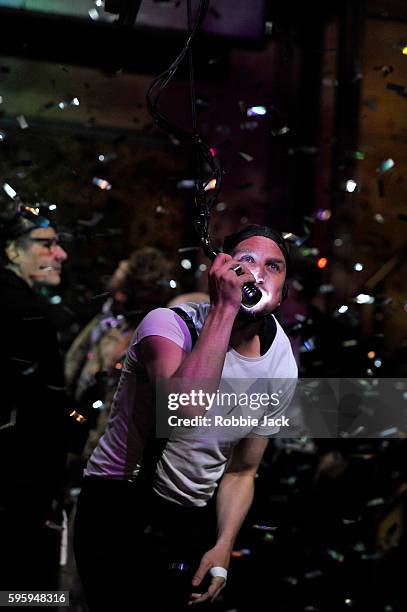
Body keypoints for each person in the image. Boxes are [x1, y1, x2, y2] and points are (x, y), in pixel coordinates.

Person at [73, 224, 298, 611]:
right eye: (245, 261)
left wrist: (223, 547)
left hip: (189, 517)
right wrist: (225, 308)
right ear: (220, 271)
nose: (257, 274)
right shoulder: (167, 325)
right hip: (120, 504)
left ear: (284, 292)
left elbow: (242, 470)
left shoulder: (281, 367)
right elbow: (185, 408)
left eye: (273, 267)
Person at [0, 202, 71, 591]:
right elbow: (41, 413)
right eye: (45, 243)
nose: (59, 254)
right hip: (19, 493)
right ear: (12, 250)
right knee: (27, 593)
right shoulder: (24, 313)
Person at [65, 247, 175, 457]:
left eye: (122, 271)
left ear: (124, 292)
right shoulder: (110, 322)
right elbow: (73, 364)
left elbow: (112, 407)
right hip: (86, 430)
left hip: (103, 449)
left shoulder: (141, 340)